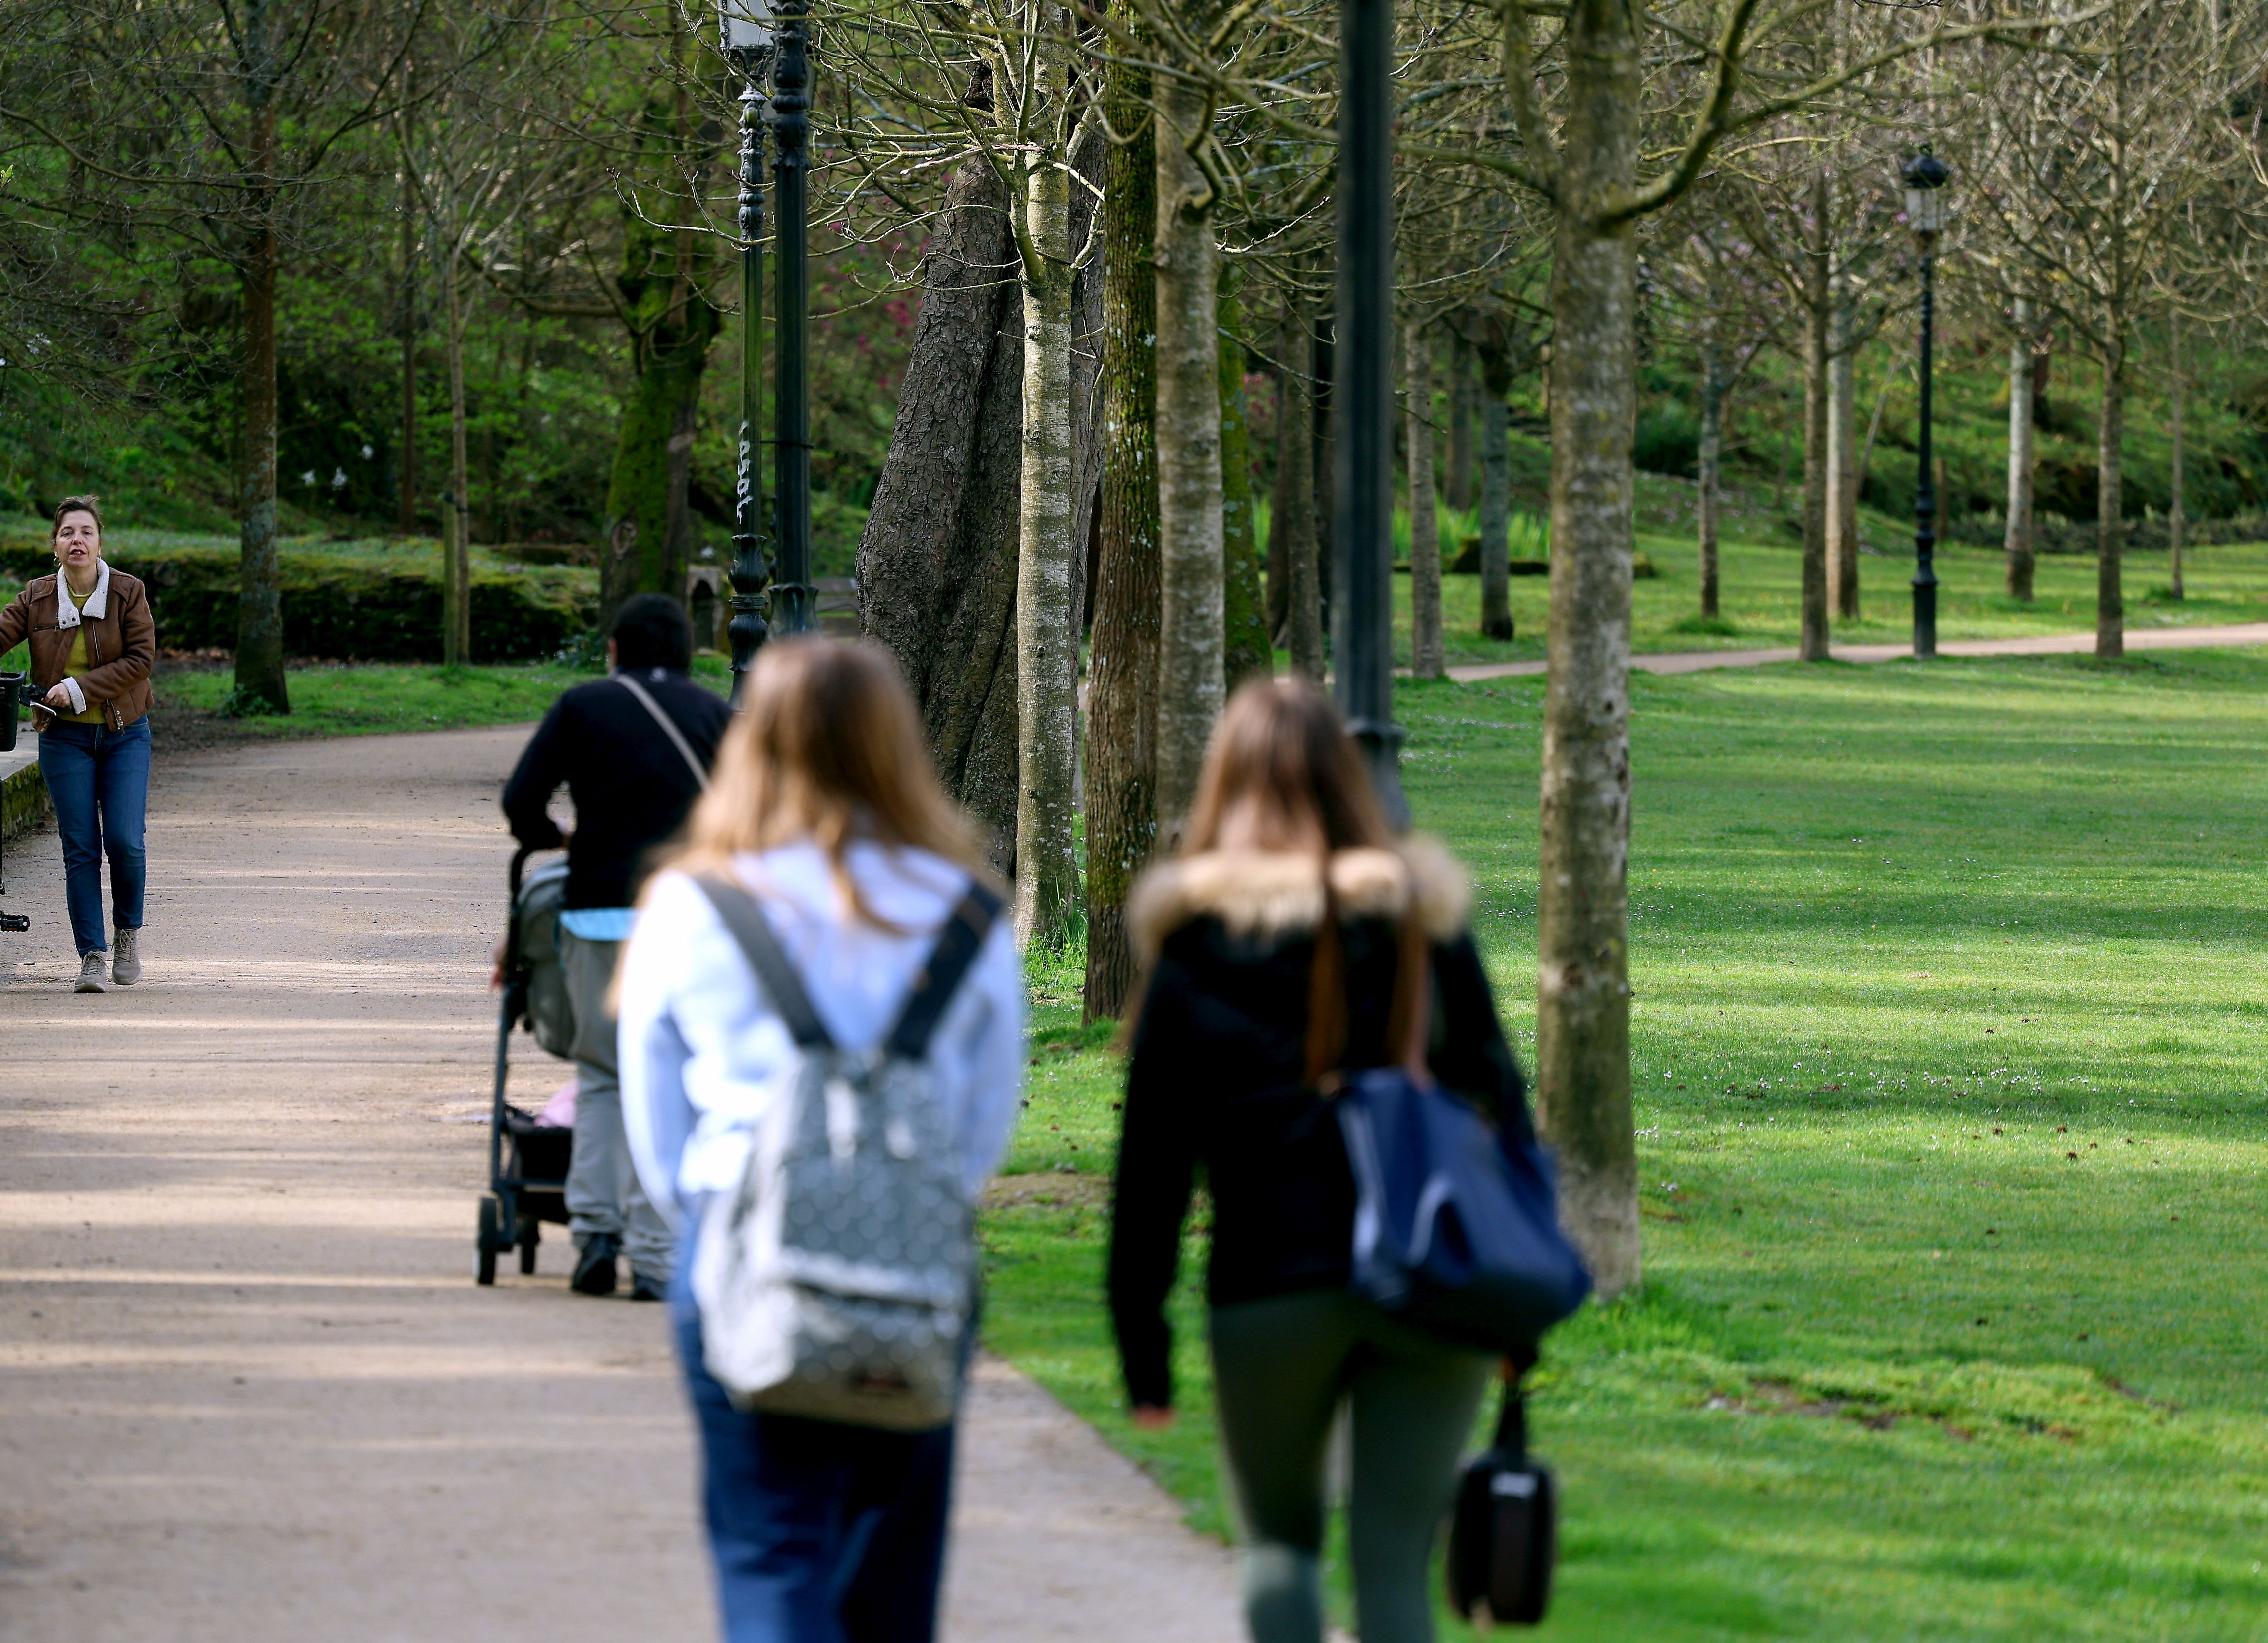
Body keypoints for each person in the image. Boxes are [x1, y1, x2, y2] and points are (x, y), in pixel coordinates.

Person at [1106, 676, 1532, 1643]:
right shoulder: (1423, 926)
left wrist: (1145, 1348)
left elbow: (1153, 1171)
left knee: (1279, 1547)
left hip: (1269, 1288)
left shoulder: (1194, 954)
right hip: (1432, 1280)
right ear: (1351, 783)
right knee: (1393, 1561)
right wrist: (1519, 1313)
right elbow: (1504, 1110)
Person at [617, 637, 1024, 1643]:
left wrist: (717, 1217)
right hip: (916, 1256)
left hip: (738, 1243)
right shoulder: (967, 909)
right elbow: (984, 1118)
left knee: (771, 1547)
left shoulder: (693, 904)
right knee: (893, 1565)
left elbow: (655, 1122)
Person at [500, 592, 728, 1300]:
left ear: (614, 651)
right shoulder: (716, 715)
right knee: (672, 1081)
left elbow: (520, 802)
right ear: (689, 653)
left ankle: (595, 1232)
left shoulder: (582, 706)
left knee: (602, 1074)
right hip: (685, 919)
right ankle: (656, 1253)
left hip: (597, 914)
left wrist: (562, 839)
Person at [0, 495, 156, 994]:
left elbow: (141, 660)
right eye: (68, 533)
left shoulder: (128, 592)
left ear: (100, 542)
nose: (77, 540)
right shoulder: (38, 597)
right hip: (64, 738)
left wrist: (79, 689)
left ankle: (126, 931)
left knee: (125, 842)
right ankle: (92, 955)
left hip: (125, 733)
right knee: (80, 849)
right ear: (55, 546)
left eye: (86, 531)